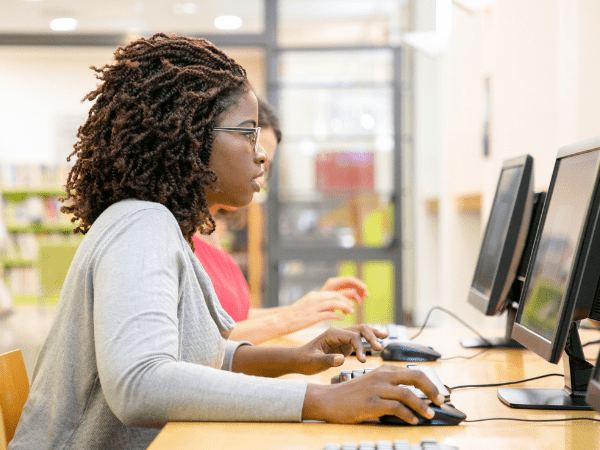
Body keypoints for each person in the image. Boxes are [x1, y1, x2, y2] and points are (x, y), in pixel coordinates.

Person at [9, 34, 444, 450]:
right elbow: (140, 383)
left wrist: (295, 359)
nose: (260, 154)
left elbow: (202, 355)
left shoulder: (167, 229)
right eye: (248, 132)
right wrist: (320, 400)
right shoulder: (141, 224)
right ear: (191, 139)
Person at [192, 97, 369, 344]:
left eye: (265, 164)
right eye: (254, 157)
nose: (259, 175)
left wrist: (310, 306)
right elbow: (199, 341)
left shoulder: (208, 229)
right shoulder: (175, 234)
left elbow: (232, 320)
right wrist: (288, 318)